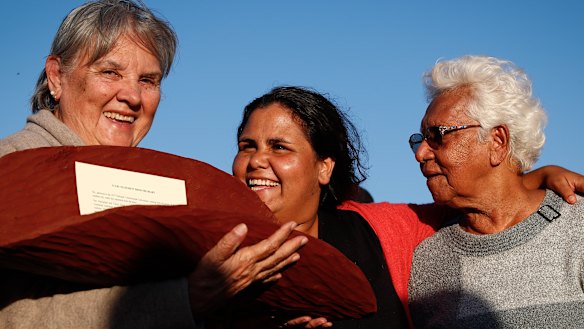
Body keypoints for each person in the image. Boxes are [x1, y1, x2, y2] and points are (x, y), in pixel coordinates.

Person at [0, 1, 307, 328]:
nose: (132, 96)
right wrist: (188, 299)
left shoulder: (153, 184)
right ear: (56, 77)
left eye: (148, 80)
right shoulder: (11, 168)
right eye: (110, 72)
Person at [228, 86, 584, 328]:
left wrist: (533, 177)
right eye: (247, 145)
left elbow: (489, 201)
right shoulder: (210, 249)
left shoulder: (384, 232)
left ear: (324, 167)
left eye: (279, 147)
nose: (257, 160)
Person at [407, 55, 584, 328]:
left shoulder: (578, 227)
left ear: (497, 142)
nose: (421, 153)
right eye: (419, 139)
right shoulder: (425, 261)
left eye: (438, 135)